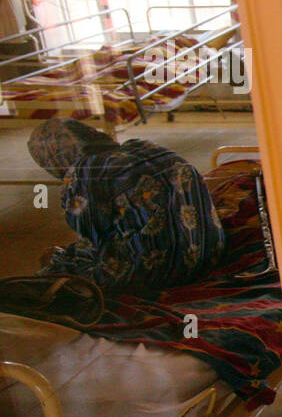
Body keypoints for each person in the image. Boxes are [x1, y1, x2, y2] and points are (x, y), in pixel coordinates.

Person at [28, 119, 226, 295]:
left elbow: (92, 238)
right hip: (209, 254)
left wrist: (63, 259)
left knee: (52, 265)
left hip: (161, 271)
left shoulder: (84, 173)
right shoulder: (145, 146)